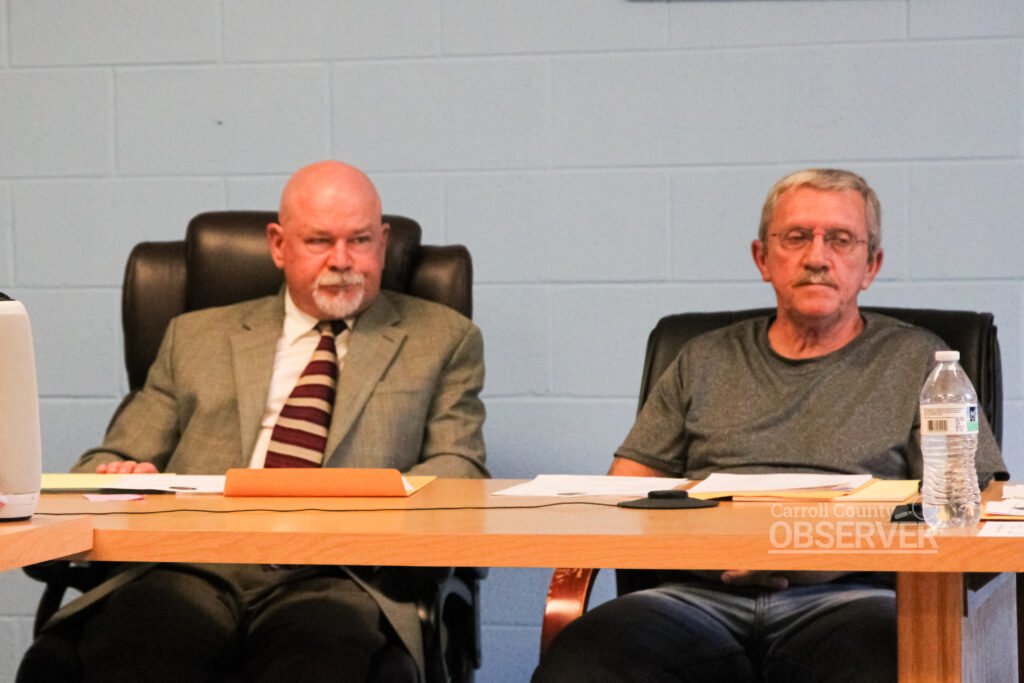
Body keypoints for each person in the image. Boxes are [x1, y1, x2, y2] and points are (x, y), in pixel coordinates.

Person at [533, 168, 1007, 683]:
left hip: (853, 599)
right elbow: (621, 498)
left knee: (890, 661)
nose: (817, 257)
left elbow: (973, 506)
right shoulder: (703, 359)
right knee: (582, 663)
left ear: (871, 265)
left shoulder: (922, 363)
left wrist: (823, 550)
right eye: (797, 237)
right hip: (692, 600)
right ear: (763, 258)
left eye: (840, 239)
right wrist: (722, 547)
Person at [19, 161, 487, 682]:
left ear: (383, 242)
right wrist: (116, 478)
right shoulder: (194, 337)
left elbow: (460, 467)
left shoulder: (442, 339)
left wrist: (371, 512)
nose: (342, 260)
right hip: (188, 566)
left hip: (337, 575)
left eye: (359, 240)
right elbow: (103, 463)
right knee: (137, 656)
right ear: (278, 245)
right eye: (319, 241)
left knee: (317, 666)